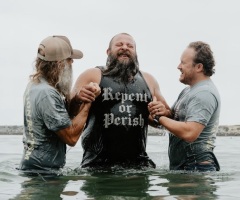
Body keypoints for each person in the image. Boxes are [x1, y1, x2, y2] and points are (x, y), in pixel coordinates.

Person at [70, 33, 172, 169]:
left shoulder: (149, 80)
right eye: (119, 44)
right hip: (97, 165)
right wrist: (78, 99)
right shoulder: (92, 75)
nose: (125, 47)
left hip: (138, 166)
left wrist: (162, 112)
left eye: (130, 46)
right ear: (108, 52)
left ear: (135, 53)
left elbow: (168, 118)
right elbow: (68, 110)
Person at [19, 35, 100, 174]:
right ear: (59, 64)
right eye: (69, 60)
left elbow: (60, 118)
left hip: (34, 167)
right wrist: (89, 102)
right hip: (44, 174)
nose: (72, 63)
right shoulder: (47, 94)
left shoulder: (35, 85)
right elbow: (71, 137)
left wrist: (77, 100)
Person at [148, 41, 221, 172]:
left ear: (198, 67)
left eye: (183, 62)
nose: (178, 66)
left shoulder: (204, 93)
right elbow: (175, 121)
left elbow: (190, 132)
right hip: (186, 167)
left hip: (198, 168)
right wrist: (164, 113)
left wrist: (159, 118)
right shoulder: (188, 91)